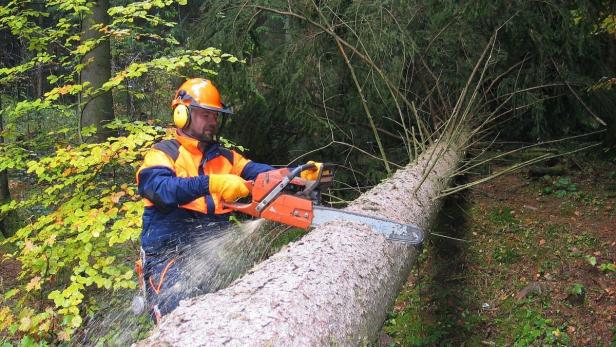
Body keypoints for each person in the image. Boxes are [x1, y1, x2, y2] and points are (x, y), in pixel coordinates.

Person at [135, 78, 278, 322]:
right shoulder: (162, 154)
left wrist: (295, 174)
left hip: (208, 257)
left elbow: (259, 172)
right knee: (179, 319)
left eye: (215, 116)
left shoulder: (225, 158)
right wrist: (212, 183)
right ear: (183, 114)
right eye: (205, 115)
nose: (212, 122)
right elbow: (161, 188)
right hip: (168, 258)